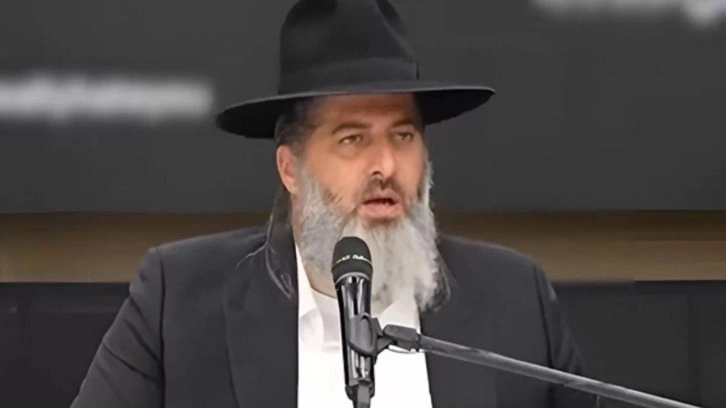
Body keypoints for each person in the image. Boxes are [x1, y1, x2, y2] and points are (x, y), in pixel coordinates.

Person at [71, 0, 600, 407]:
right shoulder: (179, 302)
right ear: (290, 169)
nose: (385, 165)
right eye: (352, 139)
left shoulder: (515, 299)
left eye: (403, 136)